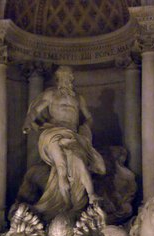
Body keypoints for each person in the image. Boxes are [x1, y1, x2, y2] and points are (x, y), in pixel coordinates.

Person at [22, 66, 106, 221]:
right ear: (58, 78)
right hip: (53, 132)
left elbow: (88, 117)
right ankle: (66, 205)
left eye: (69, 76)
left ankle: (91, 195)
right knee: (61, 168)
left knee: (78, 160)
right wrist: (28, 121)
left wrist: (85, 127)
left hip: (73, 135)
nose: (67, 79)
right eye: (63, 76)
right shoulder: (51, 94)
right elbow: (35, 110)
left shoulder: (78, 98)